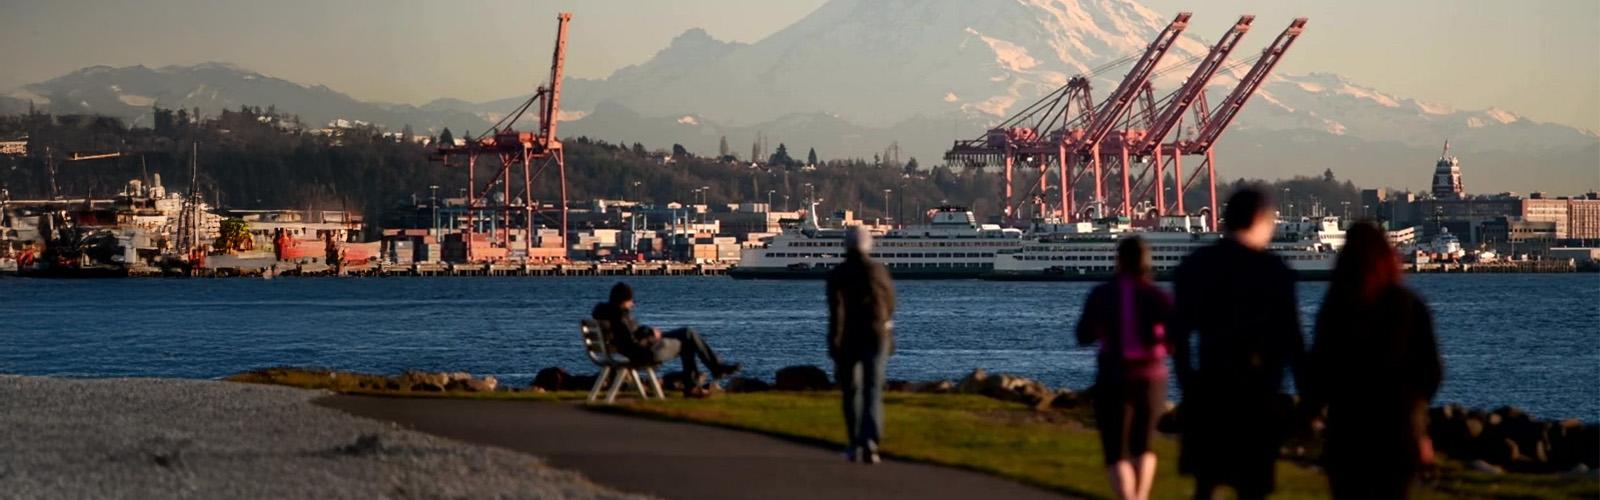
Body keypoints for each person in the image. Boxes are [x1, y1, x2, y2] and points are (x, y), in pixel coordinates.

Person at [1170, 188, 1304, 500]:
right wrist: (1306, 400)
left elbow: (1178, 335)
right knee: (1253, 487)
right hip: (1259, 395)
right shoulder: (1275, 271)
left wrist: (1188, 383)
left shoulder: (1196, 265)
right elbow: (1292, 341)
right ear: (1259, 219)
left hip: (1210, 390)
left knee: (1206, 483)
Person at [1303, 221, 1442, 499]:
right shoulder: (1409, 304)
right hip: (1397, 429)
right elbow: (1431, 372)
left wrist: (1313, 411)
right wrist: (1418, 417)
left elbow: (1319, 369)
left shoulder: (1336, 306)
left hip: (1347, 430)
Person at [1076, 236, 1172, 500]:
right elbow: (1177, 333)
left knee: (1116, 450)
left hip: (1114, 373)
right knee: (1144, 446)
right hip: (1151, 375)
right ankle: (1141, 496)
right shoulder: (1158, 296)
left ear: (1118, 260)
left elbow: (1083, 335)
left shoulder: (1102, 294)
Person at [590, 282, 741, 398]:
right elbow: (634, 342)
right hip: (645, 352)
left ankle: (711, 371)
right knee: (687, 341)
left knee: (688, 333)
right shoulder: (620, 316)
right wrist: (651, 336)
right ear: (624, 300)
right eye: (630, 300)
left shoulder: (608, 313)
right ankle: (702, 379)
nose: (633, 304)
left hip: (636, 348)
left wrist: (649, 332)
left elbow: (631, 335)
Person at [826, 226, 896, 464]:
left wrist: (834, 341)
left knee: (851, 391)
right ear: (869, 245)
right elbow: (891, 303)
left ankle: (854, 442)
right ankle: (871, 441)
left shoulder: (838, 274)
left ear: (845, 246)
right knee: (873, 389)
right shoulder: (878, 270)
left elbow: (836, 312)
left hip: (849, 335)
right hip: (878, 335)